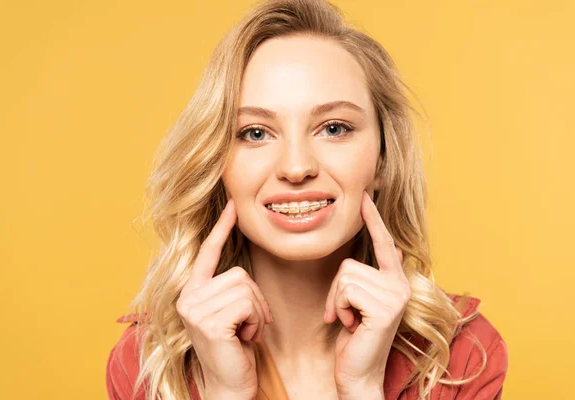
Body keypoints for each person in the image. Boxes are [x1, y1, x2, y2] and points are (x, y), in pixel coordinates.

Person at [105, 0, 508, 399]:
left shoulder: (460, 356)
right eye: (255, 133)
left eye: (334, 128)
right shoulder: (146, 364)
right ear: (217, 164)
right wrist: (225, 392)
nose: (296, 168)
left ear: (384, 158)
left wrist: (363, 388)